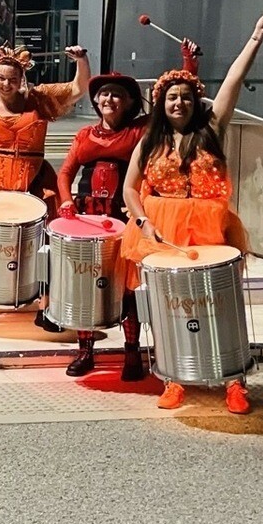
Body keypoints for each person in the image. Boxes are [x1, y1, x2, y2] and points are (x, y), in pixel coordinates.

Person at [121, 10, 263, 414]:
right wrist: (144, 222)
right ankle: (174, 377)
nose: (179, 102)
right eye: (171, 97)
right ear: (161, 103)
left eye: (186, 97)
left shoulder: (212, 129)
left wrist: (255, 37)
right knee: (170, 307)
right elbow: (130, 189)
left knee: (221, 305)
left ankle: (233, 380)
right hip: (162, 229)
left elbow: (233, 82)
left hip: (210, 225)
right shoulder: (149, 141)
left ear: (195, 102)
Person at [57, 39, 200, 380]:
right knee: (87, 285)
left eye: (117, 94)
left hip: (125, 219)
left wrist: (189, 62)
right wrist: (65, 201)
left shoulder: (141, 129)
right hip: (88, 218)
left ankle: (132, 354)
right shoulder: (84, 135)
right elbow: (65, 172)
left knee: (128, 286)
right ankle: (85, 351)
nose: (109, 99)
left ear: (130, 102)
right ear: (95, 100)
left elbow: (176, 98)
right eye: (104, 93)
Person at [0, 44, 91, 332]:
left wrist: (81, 60)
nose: (6, 84)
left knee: (44, 245)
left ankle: (44, 306)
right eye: (1, 78)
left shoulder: (39, 101)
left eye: (12, 79)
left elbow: (78, 89)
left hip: (36, 181)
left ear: (22, 78)